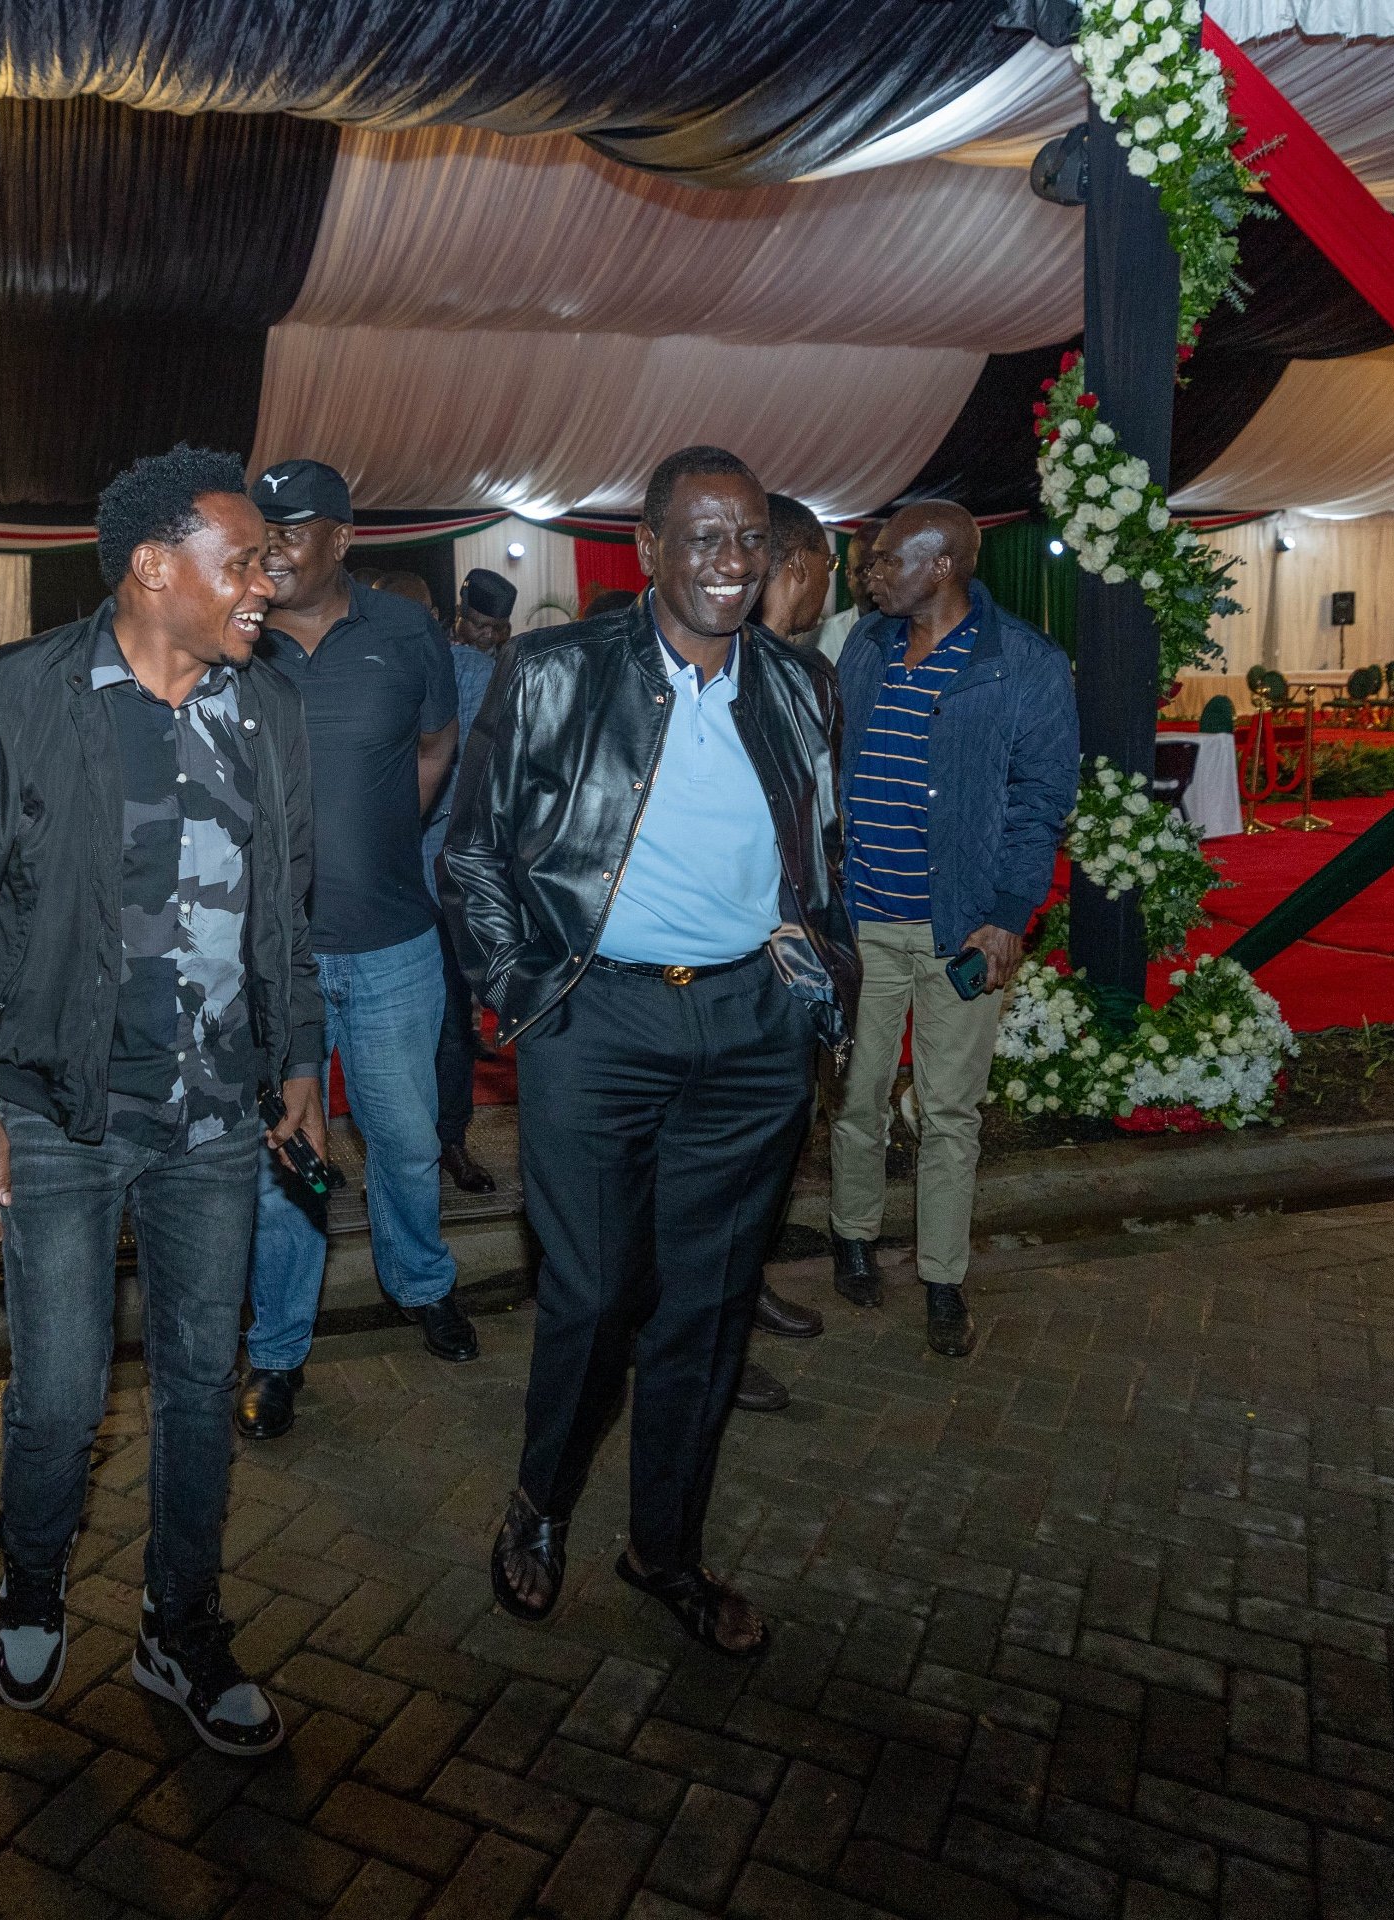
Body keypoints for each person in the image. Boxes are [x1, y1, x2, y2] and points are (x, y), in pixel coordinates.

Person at [0, 443, 324, 1751]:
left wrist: (298, 1059)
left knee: (203, 1380)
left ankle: (177, 1624)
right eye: (243, 559)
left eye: (267, 560)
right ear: (155, 567)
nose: (270, 578)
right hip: (54, 1107)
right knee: (62, 1394)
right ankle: (32, 1583)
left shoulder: (269, 709)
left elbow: (283, 912)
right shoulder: (27, 700)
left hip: (215, 1112)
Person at [446, 445, 856, 1659]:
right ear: (651, 552)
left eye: (751, 544)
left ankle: (662, 1550)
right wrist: (522, 995)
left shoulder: (798, 685)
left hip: (750, 1030)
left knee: (710, 1306)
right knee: (592, 1292)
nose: (732, 564)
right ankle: (540, 1504)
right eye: (705, 539)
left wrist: (812, 985)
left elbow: (816, 862)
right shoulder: (552, 672)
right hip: (596, 1022)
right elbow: (472, 853)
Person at [240, 458, 473, 1440]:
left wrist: (376, 841)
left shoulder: (405, 632)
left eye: (291, 530)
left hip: (391, 945)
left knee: (408, 1138)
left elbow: (435, 746)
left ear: (343, 538)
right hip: (273, 960)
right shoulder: (232, 639)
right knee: (286, 1163)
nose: (271, 549)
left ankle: (419, 1282)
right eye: (261, 531)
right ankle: (278, 1349)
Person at [828, 502, 1078, 1357]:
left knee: (949, 1113)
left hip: (961, 928)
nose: (870, 571)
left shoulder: (1025, 665)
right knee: (857, 1096)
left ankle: (942, 1279)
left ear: (941, 567)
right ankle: (853, 1236)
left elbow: (1042, 803)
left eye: (888, 559)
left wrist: (1011, 916)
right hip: (862, 920)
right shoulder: (865, 646)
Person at [423, 568, 515, 1196]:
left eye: (491, 627)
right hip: (450, 871)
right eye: (475, 623)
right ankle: (446, 1144)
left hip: (440, 871)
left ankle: (442, 1143)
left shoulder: (446, 664)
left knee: (445, 1020)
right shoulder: (479, 672)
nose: (481, 634)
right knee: (449, 1020)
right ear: (460, 618)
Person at [758, 495, 834, 648]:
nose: (828, 577)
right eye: (828, 564)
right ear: (800, 564)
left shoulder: (725, 652)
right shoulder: (801, 668)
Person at [811, 528, 877, 666]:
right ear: (849, 575)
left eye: (887, 566)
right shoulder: (821, 639)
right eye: (867, 570)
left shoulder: (917, 636)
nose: (878, 579)